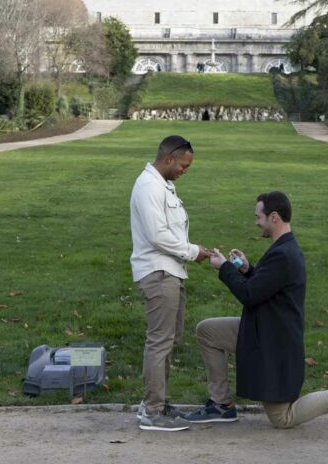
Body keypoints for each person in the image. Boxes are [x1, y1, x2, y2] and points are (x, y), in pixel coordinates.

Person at [184, 191, 328, 430]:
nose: (256, 222)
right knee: (208, 331)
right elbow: (265, 286)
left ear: (274, 217)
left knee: (282, 418)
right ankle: (221, 405)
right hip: (263, 328)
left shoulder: (284, 254)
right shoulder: (284, 248)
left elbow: (249, 295)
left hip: (273, 342)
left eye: (259, 217)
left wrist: (225, 268)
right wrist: (246, 269)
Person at [129, 135, 213, 432]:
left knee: (168, 340)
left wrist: (192, 251)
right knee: (160, 342)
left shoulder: (163, 185)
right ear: (168, 159)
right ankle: (152, 411)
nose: (185, 170)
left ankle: (156, 403)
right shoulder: (149, 186)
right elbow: (158, 236)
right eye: (183, 165)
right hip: (158, 273)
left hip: (169, 271)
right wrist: (192, 251)